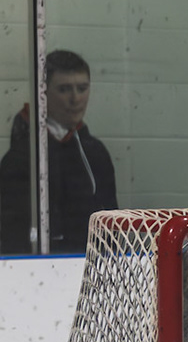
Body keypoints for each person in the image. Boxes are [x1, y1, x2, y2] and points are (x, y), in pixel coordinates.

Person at [0, 49, 117, 254]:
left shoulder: (96, 153)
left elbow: (112, 226)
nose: (76, 98)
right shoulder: (21, 158)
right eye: (64, 89)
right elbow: (12, 237)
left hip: (93, 267)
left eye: (82, 88)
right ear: (43, 94)